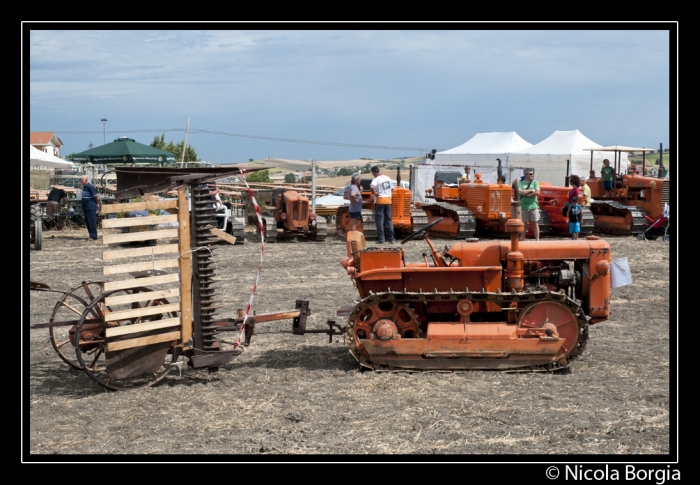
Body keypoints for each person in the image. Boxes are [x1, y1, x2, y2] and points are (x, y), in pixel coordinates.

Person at [369, 166, 395, 244]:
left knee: (380, 221)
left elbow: (371, 187)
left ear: (373, 172)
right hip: (388, 201)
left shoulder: (376, 179)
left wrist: (374, 193)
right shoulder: (388, 178)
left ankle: (381, 240)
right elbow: (392, 189)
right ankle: (391, 239)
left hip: (380, 201)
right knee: (389, 220)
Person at [518, 169, 540, 241]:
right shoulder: (521, 183)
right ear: (525, 175)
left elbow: (537, 192)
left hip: (533, 206)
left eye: (532, 174)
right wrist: (531, 191)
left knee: (535, 223)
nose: (532, 175)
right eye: (530, 174)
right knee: (524, 223)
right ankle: (522, 238)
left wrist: (526, 195)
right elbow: (519, 191)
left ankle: (537, 239)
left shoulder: (535, 182)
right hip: (524, 206)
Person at [79, 175, 100, 241]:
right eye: (81, 180)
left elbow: (95, 196)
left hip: (90, 207)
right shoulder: (84, 187)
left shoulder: (90, 187)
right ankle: (91, 235)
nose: (81, 181)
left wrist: (97, 203)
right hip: (85, 207)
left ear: (86, 180)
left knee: (91, 221)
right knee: (88, 222)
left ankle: (94, 236)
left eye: (82, 180)